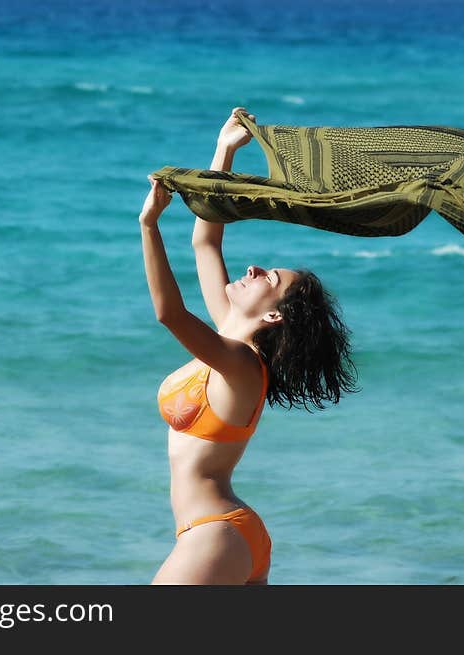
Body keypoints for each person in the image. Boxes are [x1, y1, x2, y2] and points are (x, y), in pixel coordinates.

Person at [139, 107, 358, 585]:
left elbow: (169, 314)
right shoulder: (230, 340)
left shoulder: (240, 363)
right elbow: (206, 243)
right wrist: (225, 150)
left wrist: (149, 226)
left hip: (216, 535)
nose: (256, 268)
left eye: (271, 279)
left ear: (274, 314)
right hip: (223, 536)